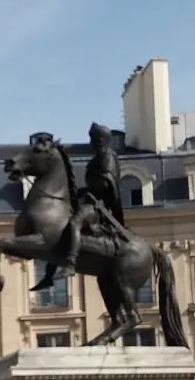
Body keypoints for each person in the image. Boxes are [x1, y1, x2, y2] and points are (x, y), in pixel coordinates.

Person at [31, 122, 125, 292]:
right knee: (59, 230)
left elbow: (106, 184)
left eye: (93, 139)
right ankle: (48, 275)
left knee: (74, 223)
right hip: (89, 200)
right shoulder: (97, 157)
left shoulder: (108, 157)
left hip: (98, 206)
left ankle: (71, 264)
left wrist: (86, 190)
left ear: (101, 140)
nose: (90, 142)